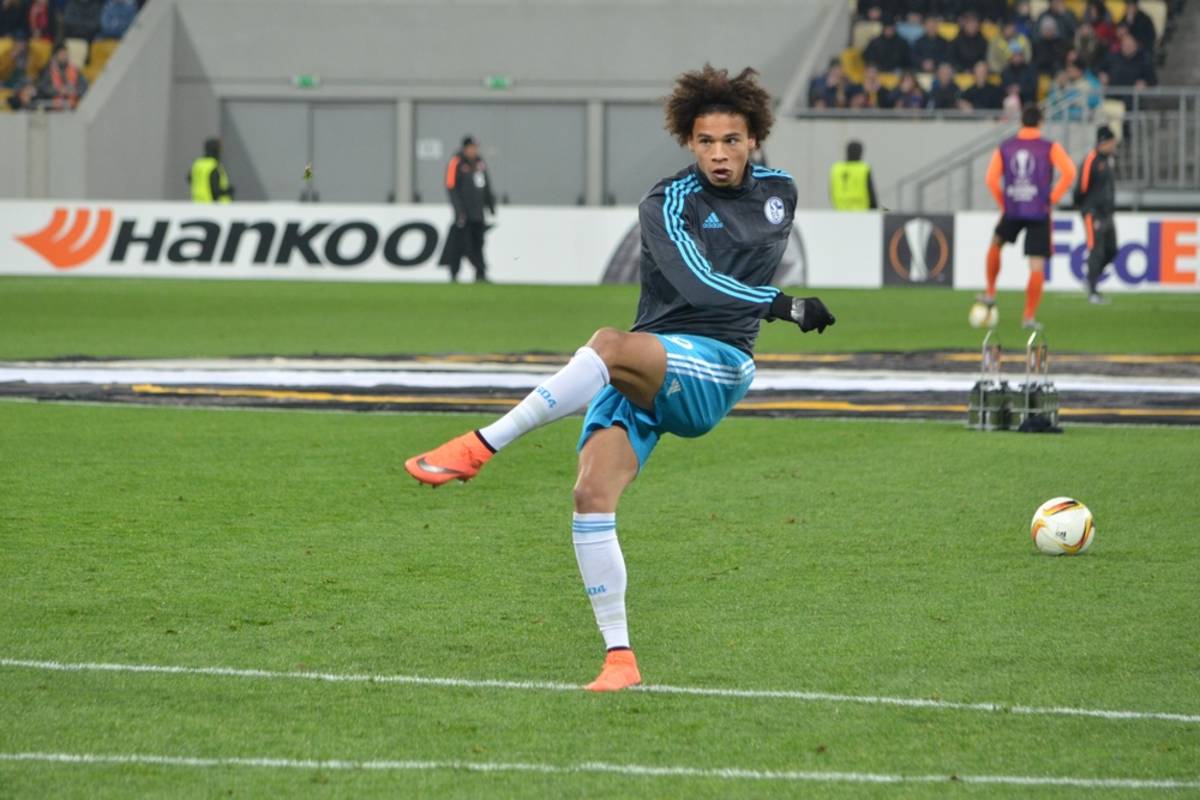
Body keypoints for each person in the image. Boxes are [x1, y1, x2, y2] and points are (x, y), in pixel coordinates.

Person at [404, 65, 836, 692]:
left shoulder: (780, 192)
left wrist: (764, 305)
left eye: (731, 140)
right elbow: (696, 283)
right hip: (650, 363)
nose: (719, 154)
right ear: (688, 142)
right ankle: (619, 660)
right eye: (706, 141)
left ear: (754, 140)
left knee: (608, 344)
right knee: (590, 495)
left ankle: (479, 446)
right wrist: (781, 304)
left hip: (717, 365)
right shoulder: (666, 202)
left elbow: (724, 292)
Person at [978, 104, 1077, 330]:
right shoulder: (1050, 147)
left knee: (996, 243)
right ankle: (1029, 317)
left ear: (1021, 121)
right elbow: (1069, 172)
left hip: (1013, 208)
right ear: (1041, 122)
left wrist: (1004, 202)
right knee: (1036, 264)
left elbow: (990, 180)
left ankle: (990, 292)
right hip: (1039, 210)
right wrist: (1051, 198)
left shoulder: (1005, 147)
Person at [442, 135, 496, 283]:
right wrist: (458, 210)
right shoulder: (456, 162)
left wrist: (490, 204)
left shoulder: (480, 163)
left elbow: (486, 185)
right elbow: (451, 187)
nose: (474, 150)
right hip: (464, 214)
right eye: (471, 147)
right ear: (465, 148)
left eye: (475, 148)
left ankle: (480, 274)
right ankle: (454, 273)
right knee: (459, 244)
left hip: (478, 213)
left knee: (478, 244)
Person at [1075, 126, 1118, 304]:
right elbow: (1081, 188)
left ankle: (1090, 280)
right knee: (1096, 250)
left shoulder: (1108, 161)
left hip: (1107, 214)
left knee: (1111, 250)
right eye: (1112, 142)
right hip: (1093, 214)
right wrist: (1087, 209)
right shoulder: (1091, 160)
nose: (1114, 146)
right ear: (1104, 142)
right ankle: (1093, 291)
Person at [37, 40, 86, 109]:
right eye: (62, 54)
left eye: (66, 53)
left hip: (73, 108)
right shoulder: (48, 70)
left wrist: (74, 91)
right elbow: (42, 87)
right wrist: (59, 91)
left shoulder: (74, 70)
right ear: (55, 55)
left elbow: (84, 86)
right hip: (52, 109)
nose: (65, 56)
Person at [830, 140, 877, 210]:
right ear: (860, 152)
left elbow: (831, 191)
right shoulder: (863, 168)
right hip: (861, 211)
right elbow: (871, 193)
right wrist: (874, 210)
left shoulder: (836, 168)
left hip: (840, 211)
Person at [188, 137, 233, 203]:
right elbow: (215, 191)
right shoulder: (213, 166)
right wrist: (228, 191)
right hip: (212, 205)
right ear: (215, 150)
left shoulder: (197, 164)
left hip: (197, 203)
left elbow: (189, 179)